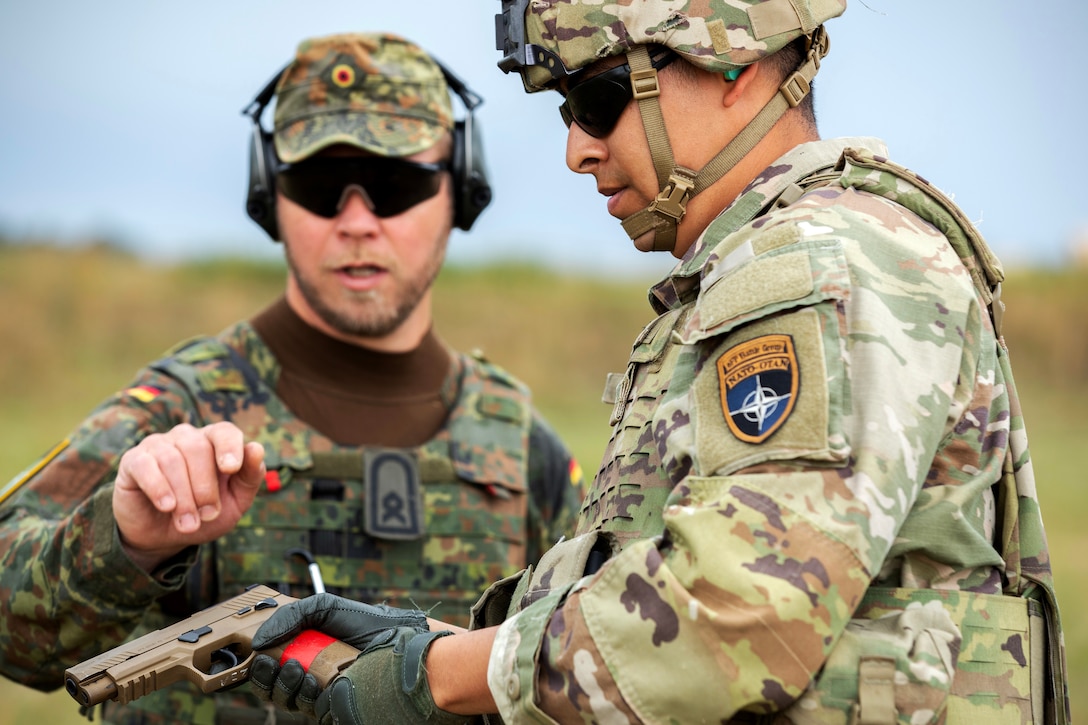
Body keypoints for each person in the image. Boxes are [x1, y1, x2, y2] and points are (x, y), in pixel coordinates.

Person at [248, 3, 1070, 723]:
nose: (577, 150)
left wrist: (439, 678)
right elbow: (652, 573)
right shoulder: (759, 268)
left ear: (734, 65)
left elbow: (737, 614)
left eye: (600, 100)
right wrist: (434, 642)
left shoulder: (821, 265)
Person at [0, 31, 585, 725]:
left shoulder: (524, 450)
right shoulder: (179, 411)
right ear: (268, 195)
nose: (358, 221)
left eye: (395, 184)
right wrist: (127, 539)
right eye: (320, 186)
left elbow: (593, 666)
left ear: (462, 186)